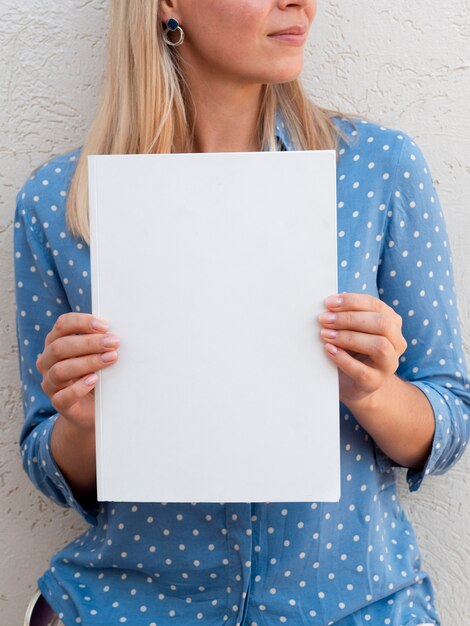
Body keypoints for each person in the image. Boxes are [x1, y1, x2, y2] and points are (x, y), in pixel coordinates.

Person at [14, 1, 469, 625]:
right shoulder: (60, 203)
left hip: (351, 606)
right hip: (126, 604)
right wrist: (85, 419)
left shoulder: (376, 169)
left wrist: (372, 390)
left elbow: (449, 418)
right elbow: (51, 463)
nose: (299, 2)